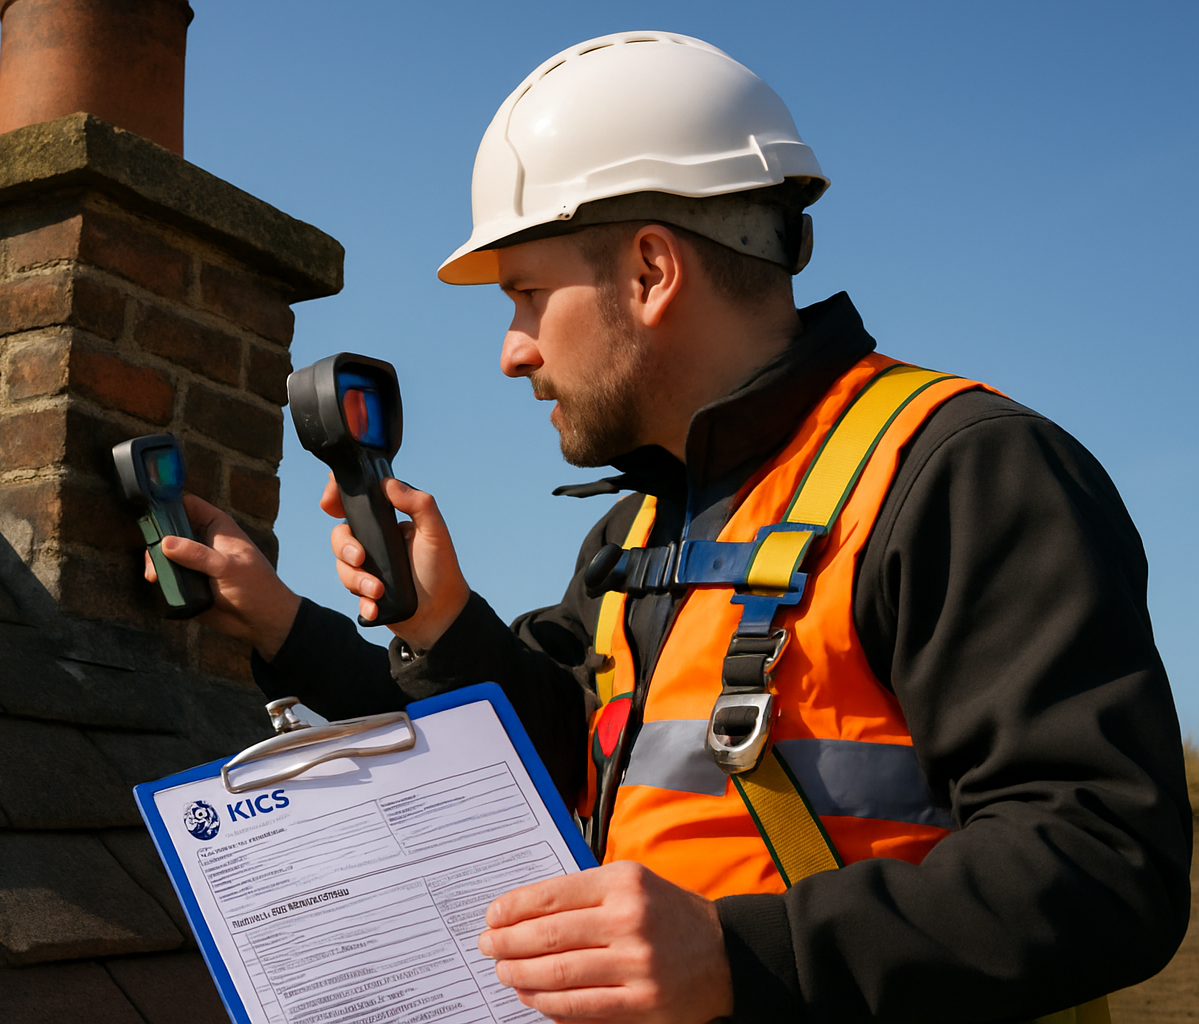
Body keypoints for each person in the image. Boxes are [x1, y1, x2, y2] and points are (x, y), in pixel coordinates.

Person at [148, 31, 1191, 1024]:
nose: (512, 351)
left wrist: (736, 957)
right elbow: (550, 761)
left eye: (523, 294)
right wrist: (354, 621)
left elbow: (1105, 859)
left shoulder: (959, 470)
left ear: (650, 273)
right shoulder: (641, 528)